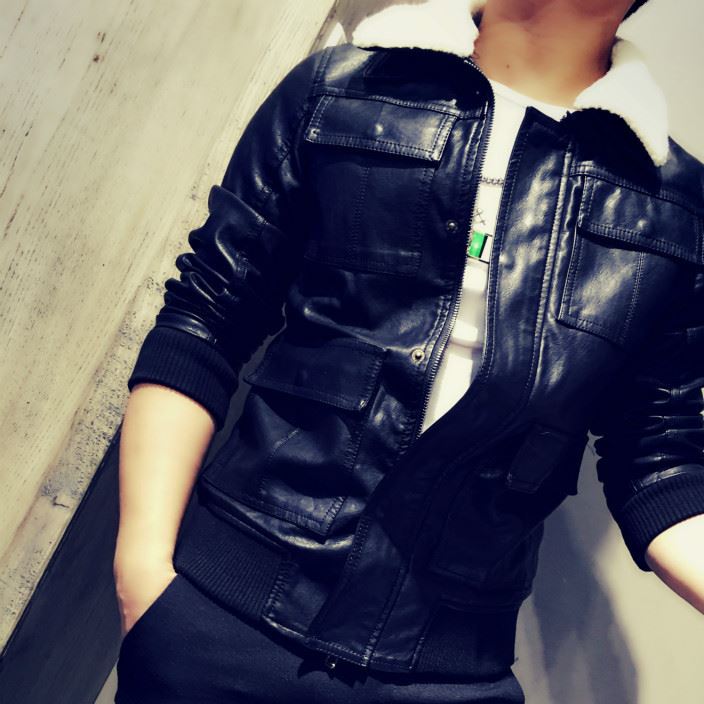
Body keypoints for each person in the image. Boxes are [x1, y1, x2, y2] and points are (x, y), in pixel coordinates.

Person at [114, 1, 704, 702]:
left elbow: (657, 457)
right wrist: (142, 571)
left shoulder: (676, 205)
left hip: (449, 671)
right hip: (218, 625)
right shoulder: (339, 88)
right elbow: (208, 316)